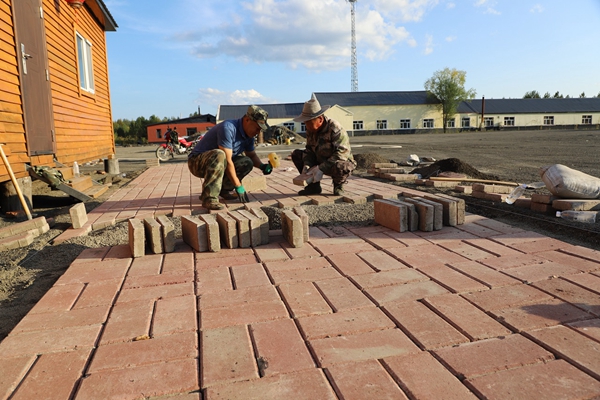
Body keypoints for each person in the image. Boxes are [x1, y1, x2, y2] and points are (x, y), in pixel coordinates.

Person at [187, 105, 273, 210]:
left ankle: (223, 190)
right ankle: (209, 198)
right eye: (257, 128)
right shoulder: (228, 128)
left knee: (247, 162)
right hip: (196, 162)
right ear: (247, 120)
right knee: (220, 154)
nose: (258, 132)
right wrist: (238, 186)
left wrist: (262, 166)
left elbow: (251, 155)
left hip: (219, 162)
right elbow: (228, 160)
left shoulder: (249, 136)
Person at [291, 96, 356, 196]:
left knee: (341, 165)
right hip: (320, 160)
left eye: (309, 123)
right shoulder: (310, 130)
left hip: (336, 162)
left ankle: (338, 185)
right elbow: (309, 150)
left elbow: (341, 154)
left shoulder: (335, 128)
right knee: (297, 154)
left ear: (320, 119)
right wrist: (307, 165)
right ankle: (313, 186)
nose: (306, 126)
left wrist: (321, 168)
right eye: (305, 123)